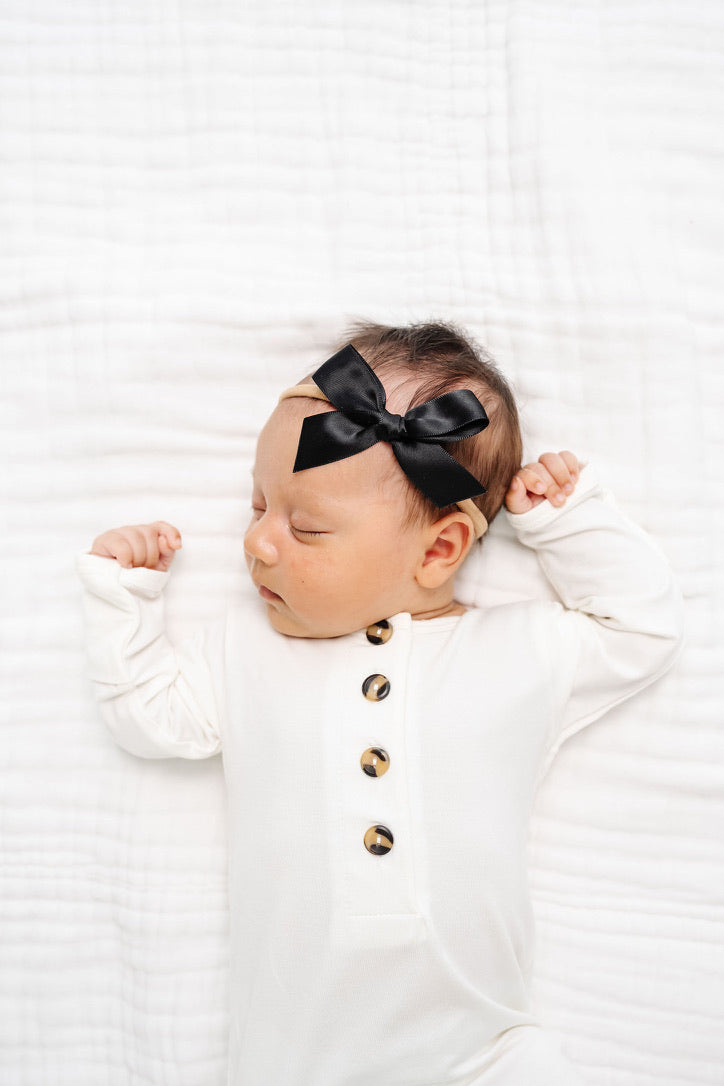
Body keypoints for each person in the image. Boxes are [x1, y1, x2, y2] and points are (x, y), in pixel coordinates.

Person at [74, 321, 684, 1085]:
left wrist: (567, 522)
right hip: (294, 1063)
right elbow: (148, 716)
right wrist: (124, 599)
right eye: (258, 505)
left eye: (305, 526)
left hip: (484, 1053)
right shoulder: (244, 650)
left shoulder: (516, 652)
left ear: (439, 550)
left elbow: (642, 629)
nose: (258, 543)